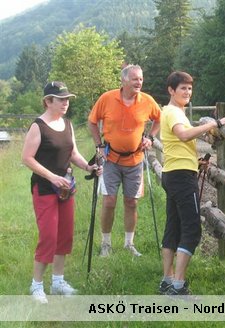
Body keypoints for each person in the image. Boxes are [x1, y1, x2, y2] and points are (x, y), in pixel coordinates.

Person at [22, 81, 103, 303]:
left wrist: (89, 167)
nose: (66, 103)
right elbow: (27, 158)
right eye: (61, 99)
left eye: (68, 99)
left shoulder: (67, 124)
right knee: (48, 235)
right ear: (48, 101)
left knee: (64, 235)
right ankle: (36, 286)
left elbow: (74, 153)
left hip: (66, 188)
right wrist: (52, 177)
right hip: (45, 188)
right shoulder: (38, 126)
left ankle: (58, 282)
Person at [159, 71, 225, 295]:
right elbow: (183, 135)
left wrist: (194, 160)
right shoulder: (173, 112)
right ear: (171, 90)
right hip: (181, 178)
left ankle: (167, 280)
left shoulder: (172, 111)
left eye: (190, 88)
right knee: (191, 230)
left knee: (173, 227)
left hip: (173, 172)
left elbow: (177, 144)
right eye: (183, 88)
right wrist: (215, 124)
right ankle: (179, 286)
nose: (187, 92)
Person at [88, 64, 161, 257]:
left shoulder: (147, 101)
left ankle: (129, 244)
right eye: (135, 79)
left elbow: (159, 119)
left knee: (131, 202)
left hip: (135, 160)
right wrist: (98, 145)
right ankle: (106, 244)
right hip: (110, 159)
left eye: (141, 79)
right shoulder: (107, 98)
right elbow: (92, 121)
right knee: (109, 201)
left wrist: (150, 138)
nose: (139, 82)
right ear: (124, 80)